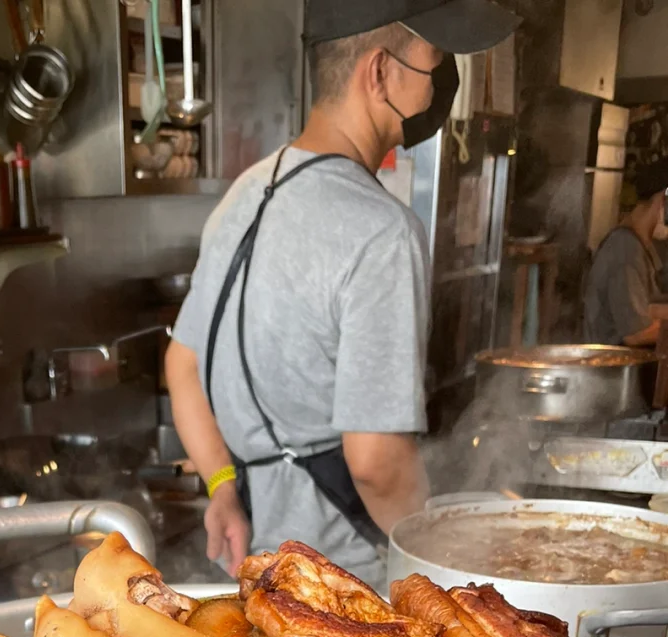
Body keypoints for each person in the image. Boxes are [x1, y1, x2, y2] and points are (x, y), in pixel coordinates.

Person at [165, 0, 519, 587]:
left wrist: (223, 488)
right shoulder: (380, 229)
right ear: (379, 72)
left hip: (258, 576)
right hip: (346, 588)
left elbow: (182, 366)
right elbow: (377, 463)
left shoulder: (244, 195)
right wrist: (448, 576)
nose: (443, 79)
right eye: (435, 57)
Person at [584, 157, 668, 348]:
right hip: (614, 375)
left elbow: (649, 309)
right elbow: (636, 333)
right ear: (663, 200)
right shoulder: (625, 250)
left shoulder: (641, 247)